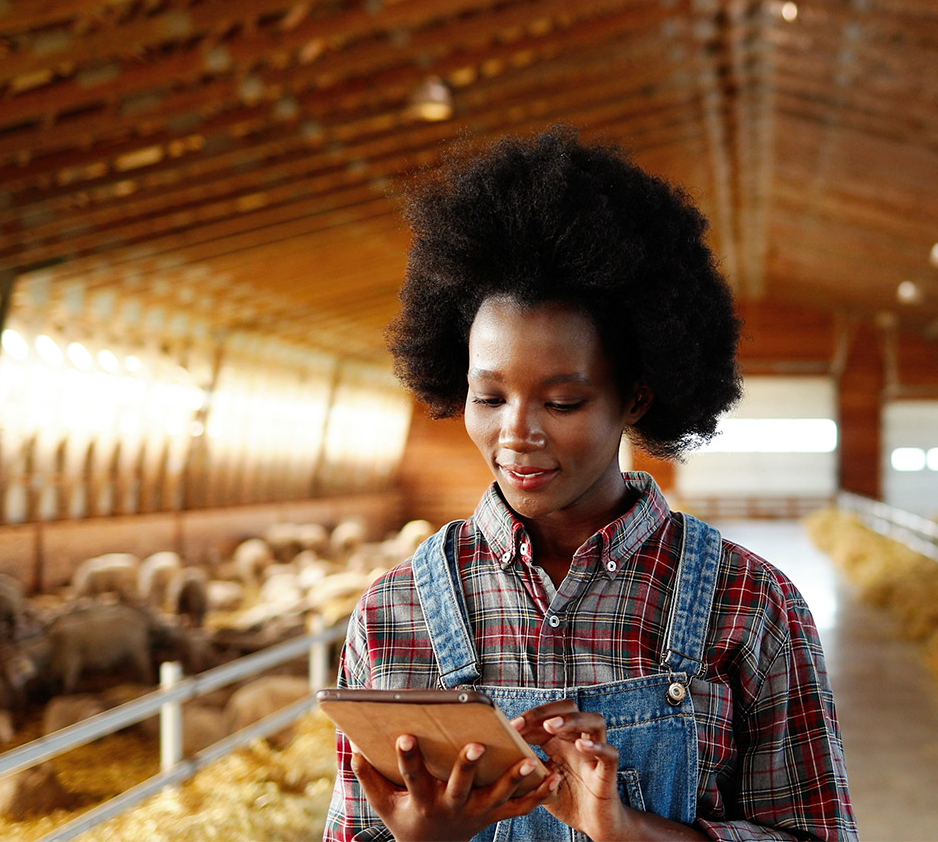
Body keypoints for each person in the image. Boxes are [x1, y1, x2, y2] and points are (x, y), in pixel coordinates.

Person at [324, 127, 857, 842]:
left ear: (636, 397)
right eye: (489, 398)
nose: (517, 434)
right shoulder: (395, 613)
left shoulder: (750, 605)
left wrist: (631, 832)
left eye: (562, 402)